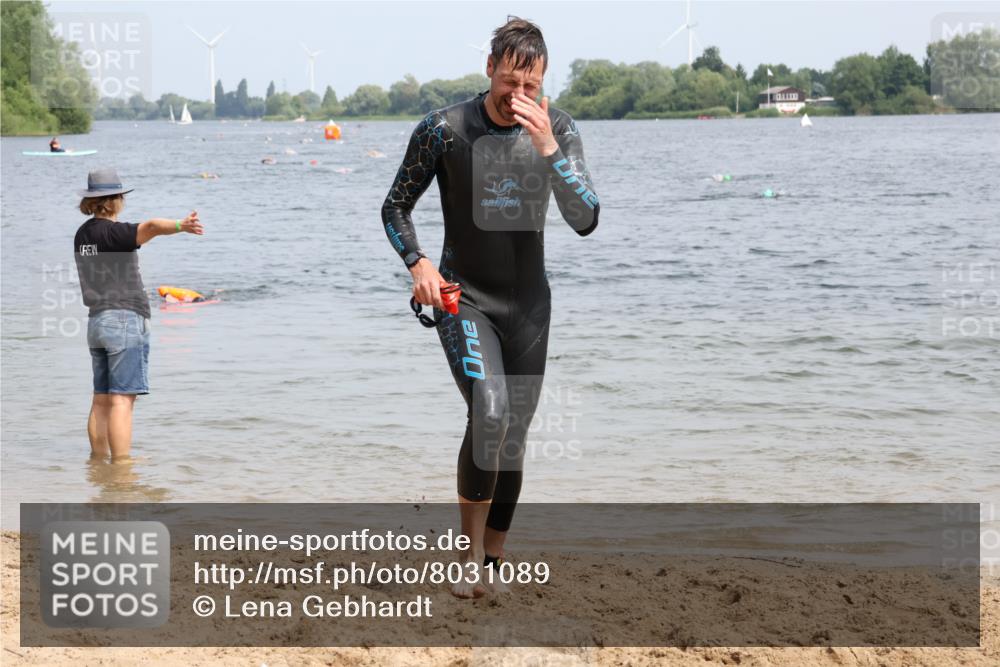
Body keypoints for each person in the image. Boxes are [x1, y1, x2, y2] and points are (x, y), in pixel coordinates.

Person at [381, 17, 599, 598]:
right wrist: (419, 264)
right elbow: (395, 207)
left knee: (515, 435)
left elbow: (586, 219)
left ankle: (495, 562)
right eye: (509, 82)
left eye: (531, 87)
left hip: (529, 307)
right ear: (490, 70)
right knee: (492, 411)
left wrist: (549, 146)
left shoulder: (561, 130)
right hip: (464, 298)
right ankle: (469, 557)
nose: (518, 97)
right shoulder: (444, 130)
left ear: (544, 80)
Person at [73, 168, 204, 462]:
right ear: (114, 199)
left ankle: (98, 461)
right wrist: (181, 225)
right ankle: (121, 466)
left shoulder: (82, 235)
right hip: (123, 319)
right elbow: (154, 226)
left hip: (97, 321)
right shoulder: (115, 232)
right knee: (122, 399)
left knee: (101, 399)